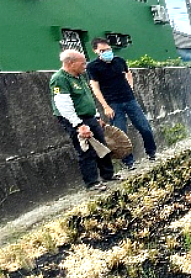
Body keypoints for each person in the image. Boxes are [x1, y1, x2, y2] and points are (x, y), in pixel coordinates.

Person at [50, 49, 118, 191]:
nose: (85, 66)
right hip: (74, 119)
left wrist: (97, 116)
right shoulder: (60, 79)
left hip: (89, 116)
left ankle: (108, 174)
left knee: (101, 144)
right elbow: (63, 104)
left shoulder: (79, 76)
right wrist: (78, 125)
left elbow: (87, 98)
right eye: (82, 63)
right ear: (71, 63)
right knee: (85, 149)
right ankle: (92, 182)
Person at [86, 38, 157, 170]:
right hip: (113, 104)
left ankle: (151, 153)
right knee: (120, 134)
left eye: (108, 49)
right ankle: (129, 162)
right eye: (102, 50)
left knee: (144, 127)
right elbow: (95, 87)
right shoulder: (93, 67)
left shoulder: (119, 61)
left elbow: (129, 74)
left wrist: (130, 87)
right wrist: (105, 106)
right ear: (95, 51)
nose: (107, 52)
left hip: (130, 100)